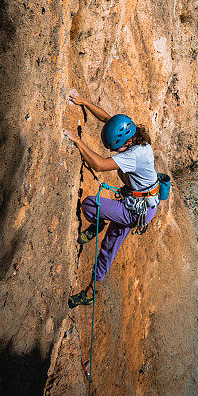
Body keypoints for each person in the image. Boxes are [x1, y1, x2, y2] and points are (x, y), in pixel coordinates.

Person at [64, 89, 159, 308]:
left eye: (117, 149)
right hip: (142, 206)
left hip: (134, 210)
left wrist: (77, 141)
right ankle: (89, 292)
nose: (117, 152)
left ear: (126, 143)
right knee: (108, 249)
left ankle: (97, 225)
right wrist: (84, 102)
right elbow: (108, 119)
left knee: (90, 204)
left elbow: (99, 165)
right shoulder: (131, 133)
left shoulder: (135, 154)